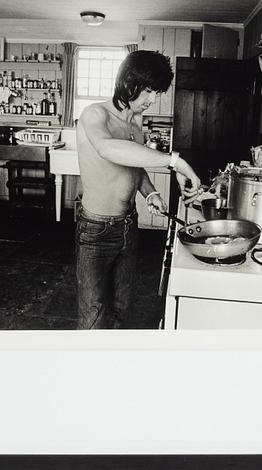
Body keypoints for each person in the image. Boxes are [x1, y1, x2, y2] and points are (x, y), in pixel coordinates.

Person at [75, 50, 201, 329]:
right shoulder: (96, 114)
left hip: (129, 224)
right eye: (148, 91)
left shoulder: (137, 123)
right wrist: (175, 163)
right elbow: (108, 150)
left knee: (122, 307)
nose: (152, 100)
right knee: (92, 316)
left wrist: (151, 193)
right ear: (128, 82)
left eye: (156, 93)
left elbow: (134, 165)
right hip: (96, 229)